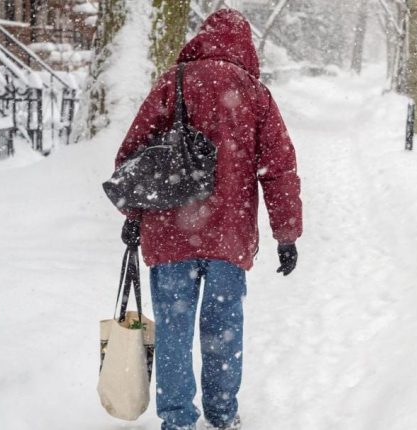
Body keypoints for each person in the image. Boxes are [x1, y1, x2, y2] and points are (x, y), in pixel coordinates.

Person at [114, 9, 302, 430]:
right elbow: (279, 169)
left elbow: (133, 154)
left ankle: (177, 418)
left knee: (174, 331)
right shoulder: (255, 94)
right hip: (229, 238)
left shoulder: (173, 82)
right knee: (223, 329)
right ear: (245, 46)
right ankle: (221, 414)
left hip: (170, 233)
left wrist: (134, 213)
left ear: (201, 38)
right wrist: (286, 234)